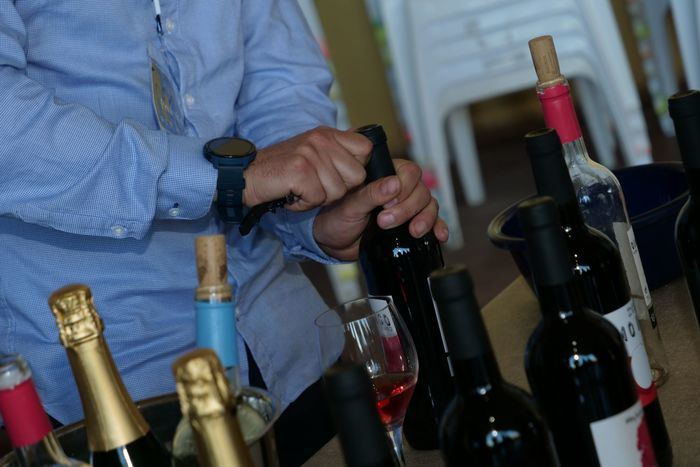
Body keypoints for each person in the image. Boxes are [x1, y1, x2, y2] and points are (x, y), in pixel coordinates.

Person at [0, 1, 447, 464]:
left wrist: (312, 208)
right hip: (125, 372)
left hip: (285, 338)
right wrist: (223, 176)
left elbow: (278, 84)